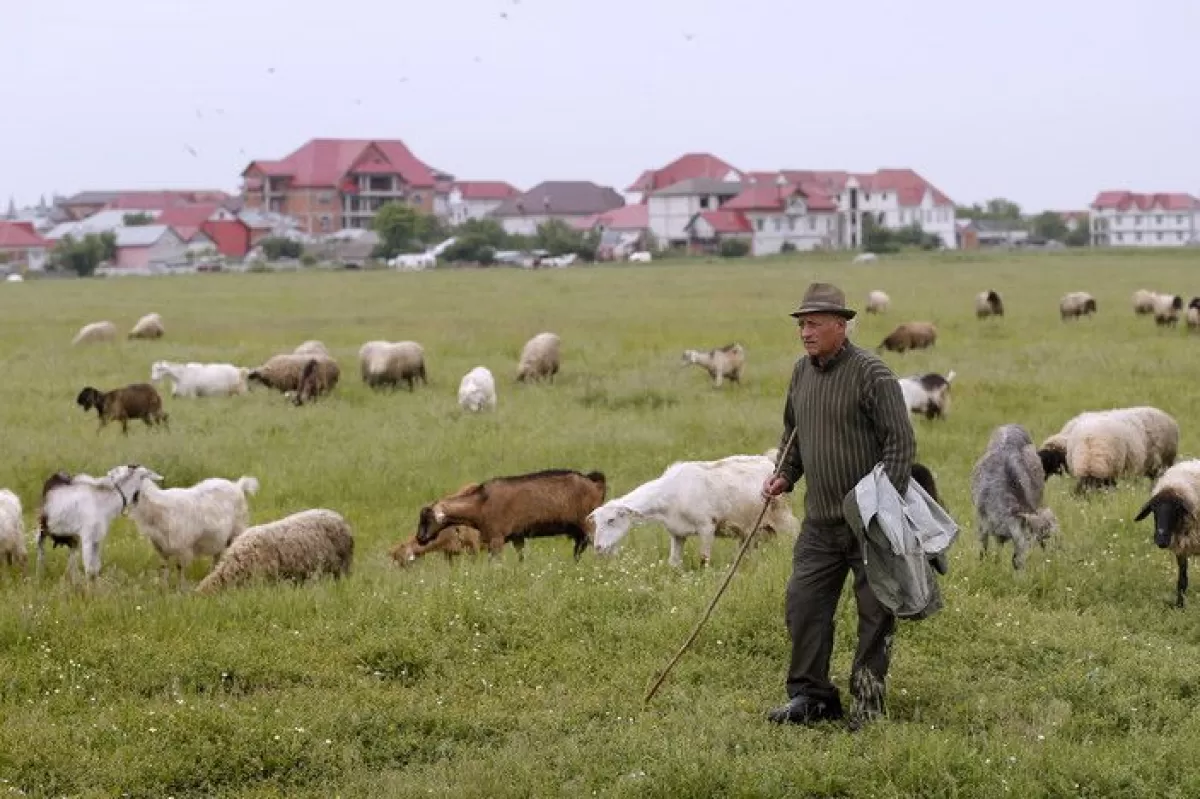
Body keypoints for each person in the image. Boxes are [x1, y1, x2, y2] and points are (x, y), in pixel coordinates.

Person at [761, 281, 917, 730]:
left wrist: (882, 507)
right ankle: (811, 698)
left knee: (875, 614)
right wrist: (784, 475)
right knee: (803, 605)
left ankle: (868, 705)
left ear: (841, 326)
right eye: (801, 325)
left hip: (870, 523)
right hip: (820, 523)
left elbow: (900, 444)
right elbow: (793, 435)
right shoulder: (801, 372)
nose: (805, 333)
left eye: (813, 324)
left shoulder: (873, 374)